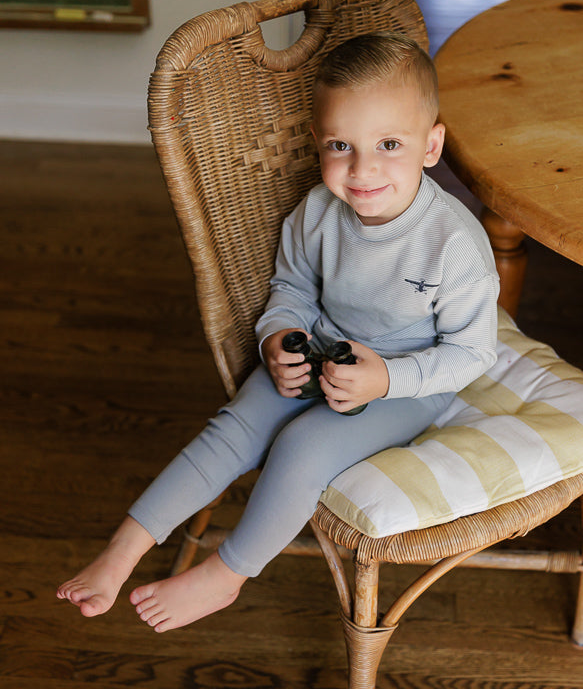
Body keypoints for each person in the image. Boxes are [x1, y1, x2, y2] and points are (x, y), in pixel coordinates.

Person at [57, 32, 499, 633]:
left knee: (301, 446)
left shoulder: (455, 244)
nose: (362, 169)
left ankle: (227, 574)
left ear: (431, 146)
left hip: (408, 384)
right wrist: (279, 335)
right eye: (340, 145)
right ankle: (125, 546)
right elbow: (290, 288)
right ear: (318, 141)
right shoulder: (319, 211)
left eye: (389, 144)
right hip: (321, 348)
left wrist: (386, 379)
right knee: (236, 425)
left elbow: (471, 351)